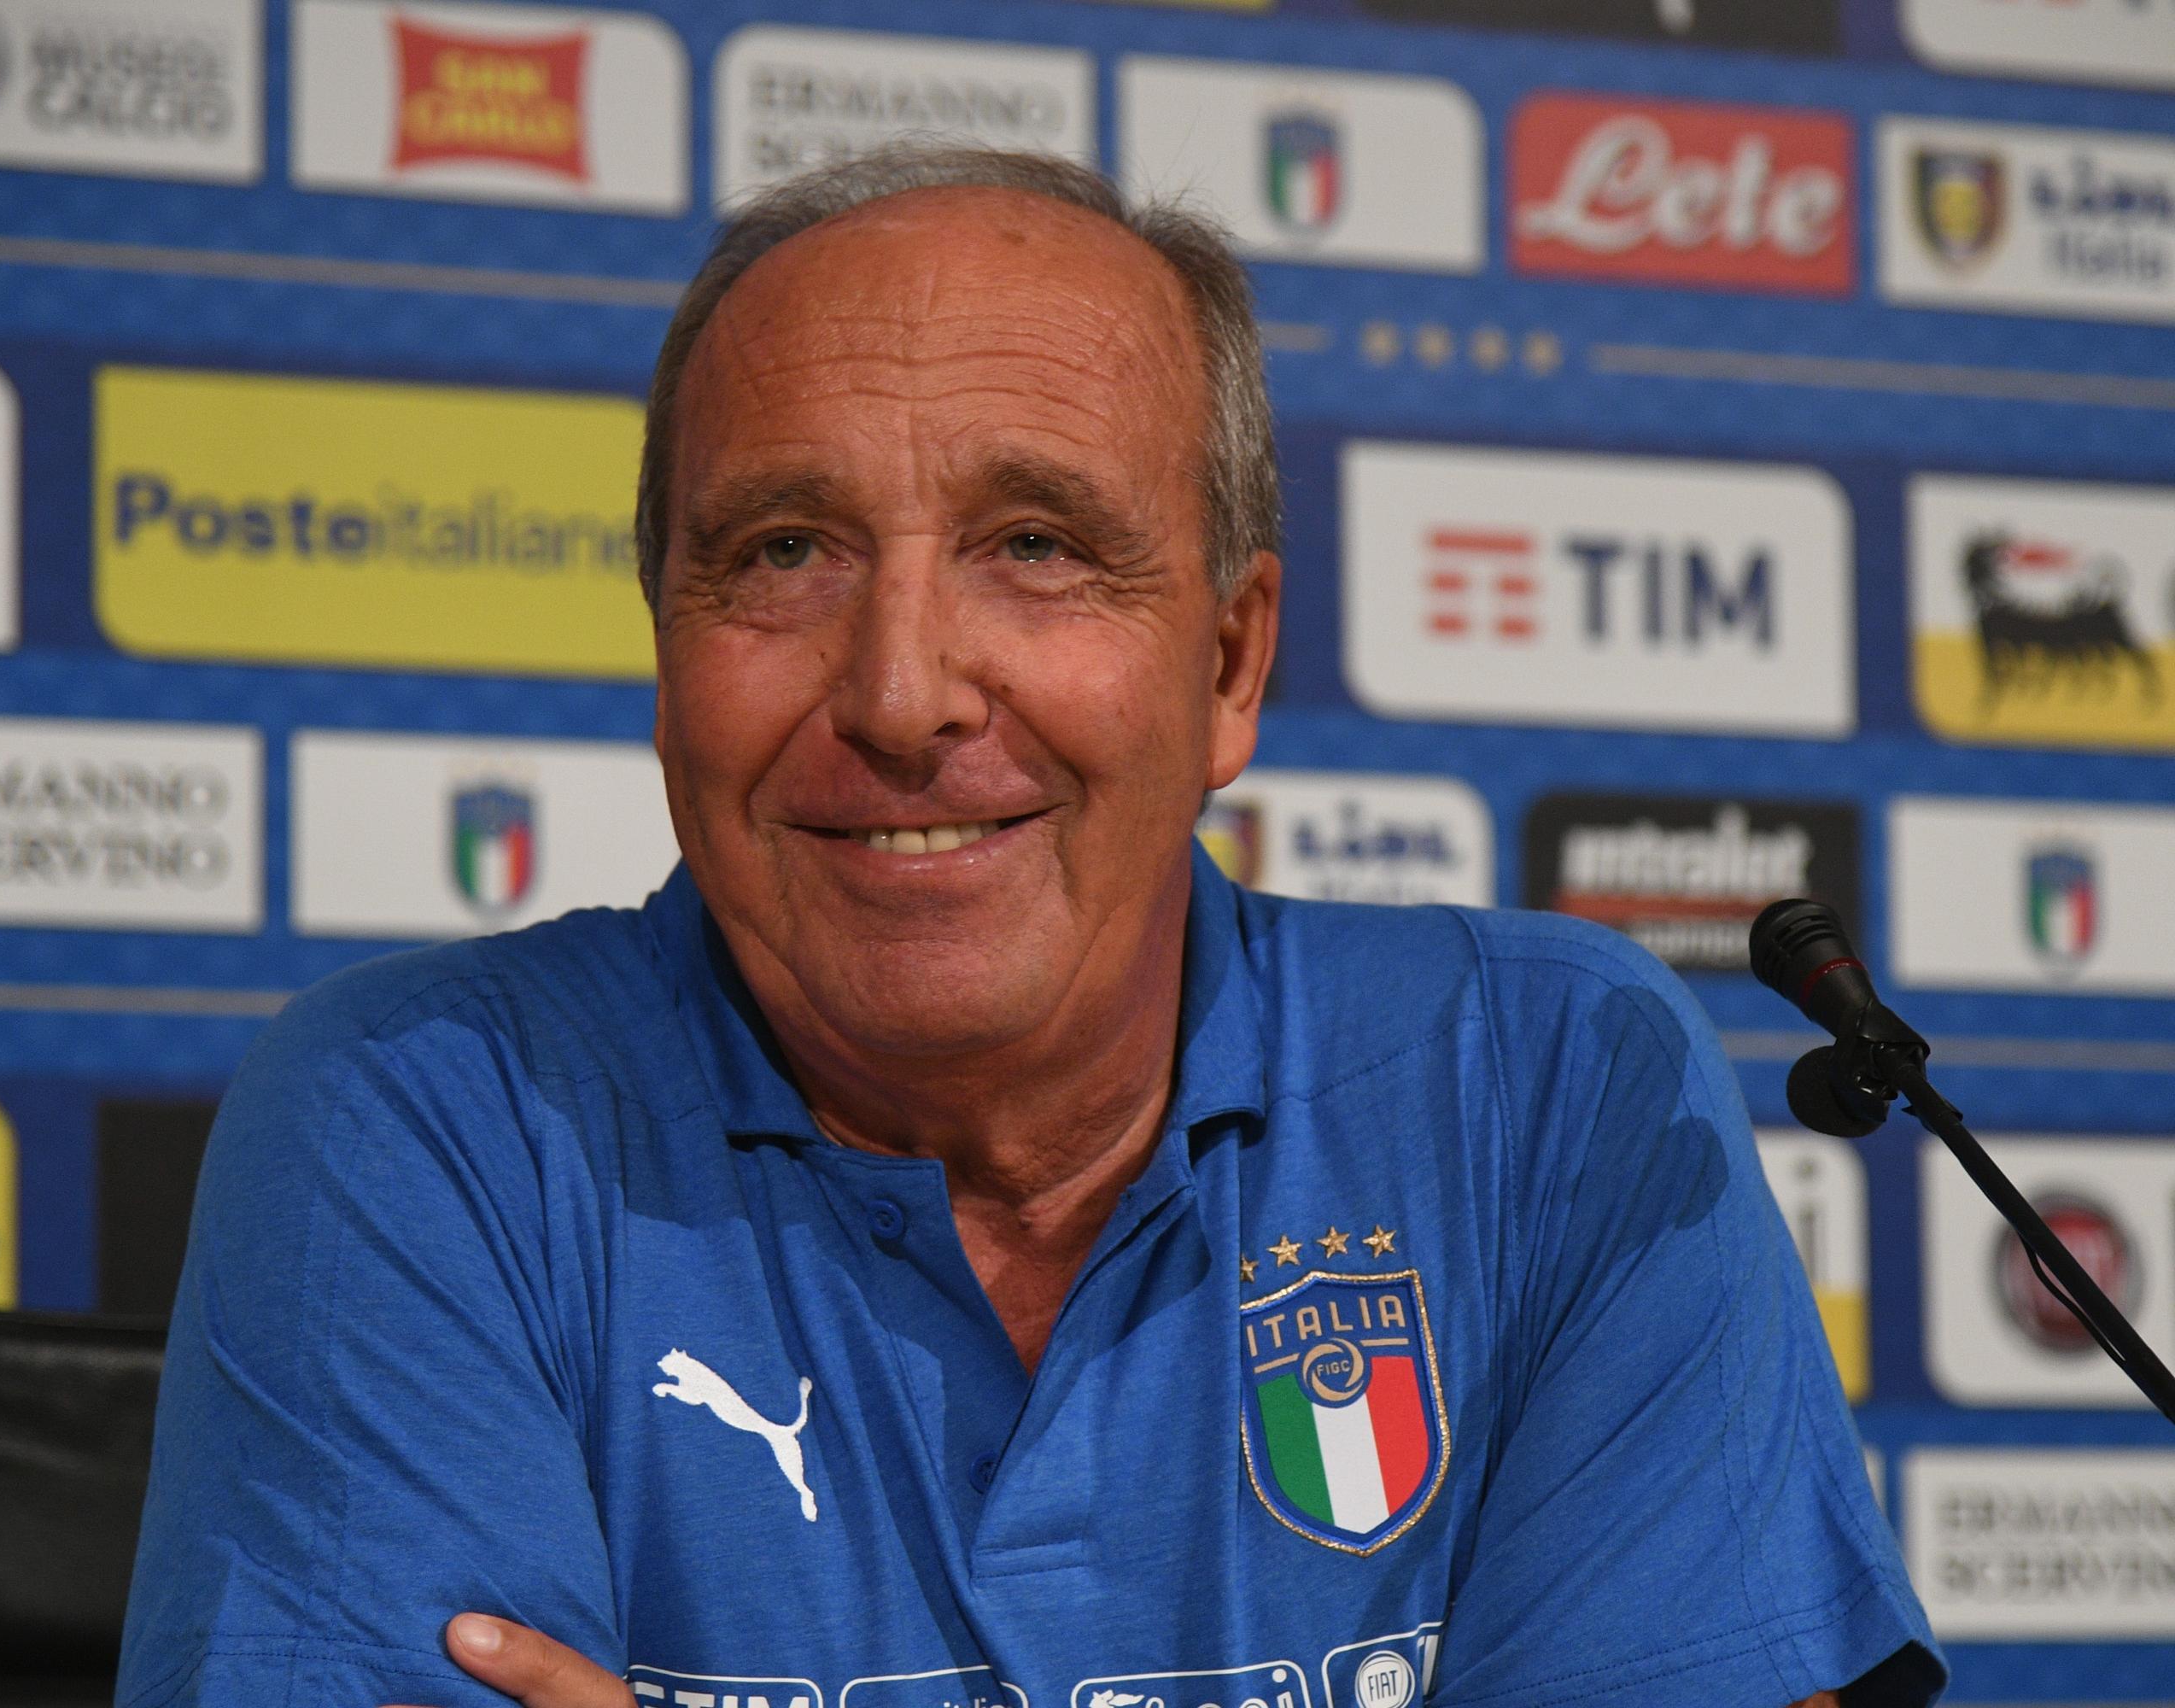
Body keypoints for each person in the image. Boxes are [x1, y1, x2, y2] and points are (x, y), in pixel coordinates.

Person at [115, 147, 1944, 1708]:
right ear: (664, 639)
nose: (903, 691)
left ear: (1228, 664)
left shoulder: (1553, 1090)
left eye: (1038, 547)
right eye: (780, 552)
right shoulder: (419, 1118)